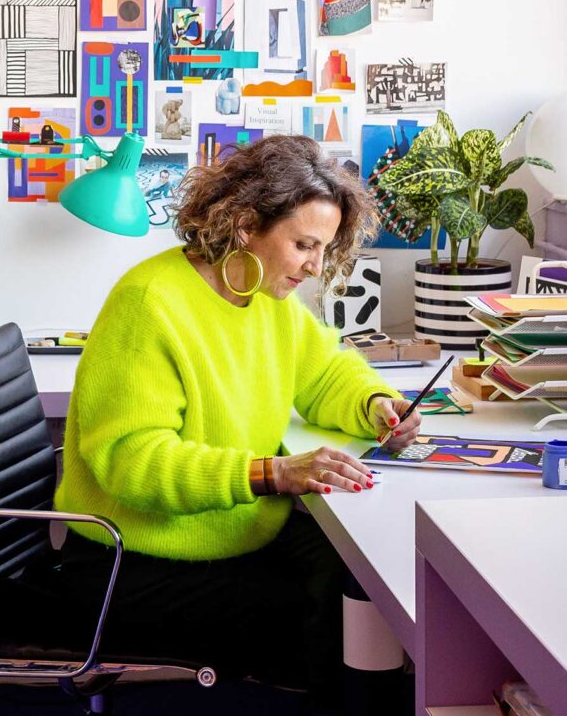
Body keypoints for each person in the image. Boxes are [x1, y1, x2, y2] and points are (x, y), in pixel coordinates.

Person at [55, 135, 421, 714]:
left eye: (323, 249)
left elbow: (326, 372)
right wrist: (272, 473)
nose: (315, 266)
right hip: (131, 563)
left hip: (238, 537)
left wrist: (377, 403)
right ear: (247, 223)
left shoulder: (265, 297)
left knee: (360, 574)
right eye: (304, 245)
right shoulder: (150, 301)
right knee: (326, 618)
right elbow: (134, 463)